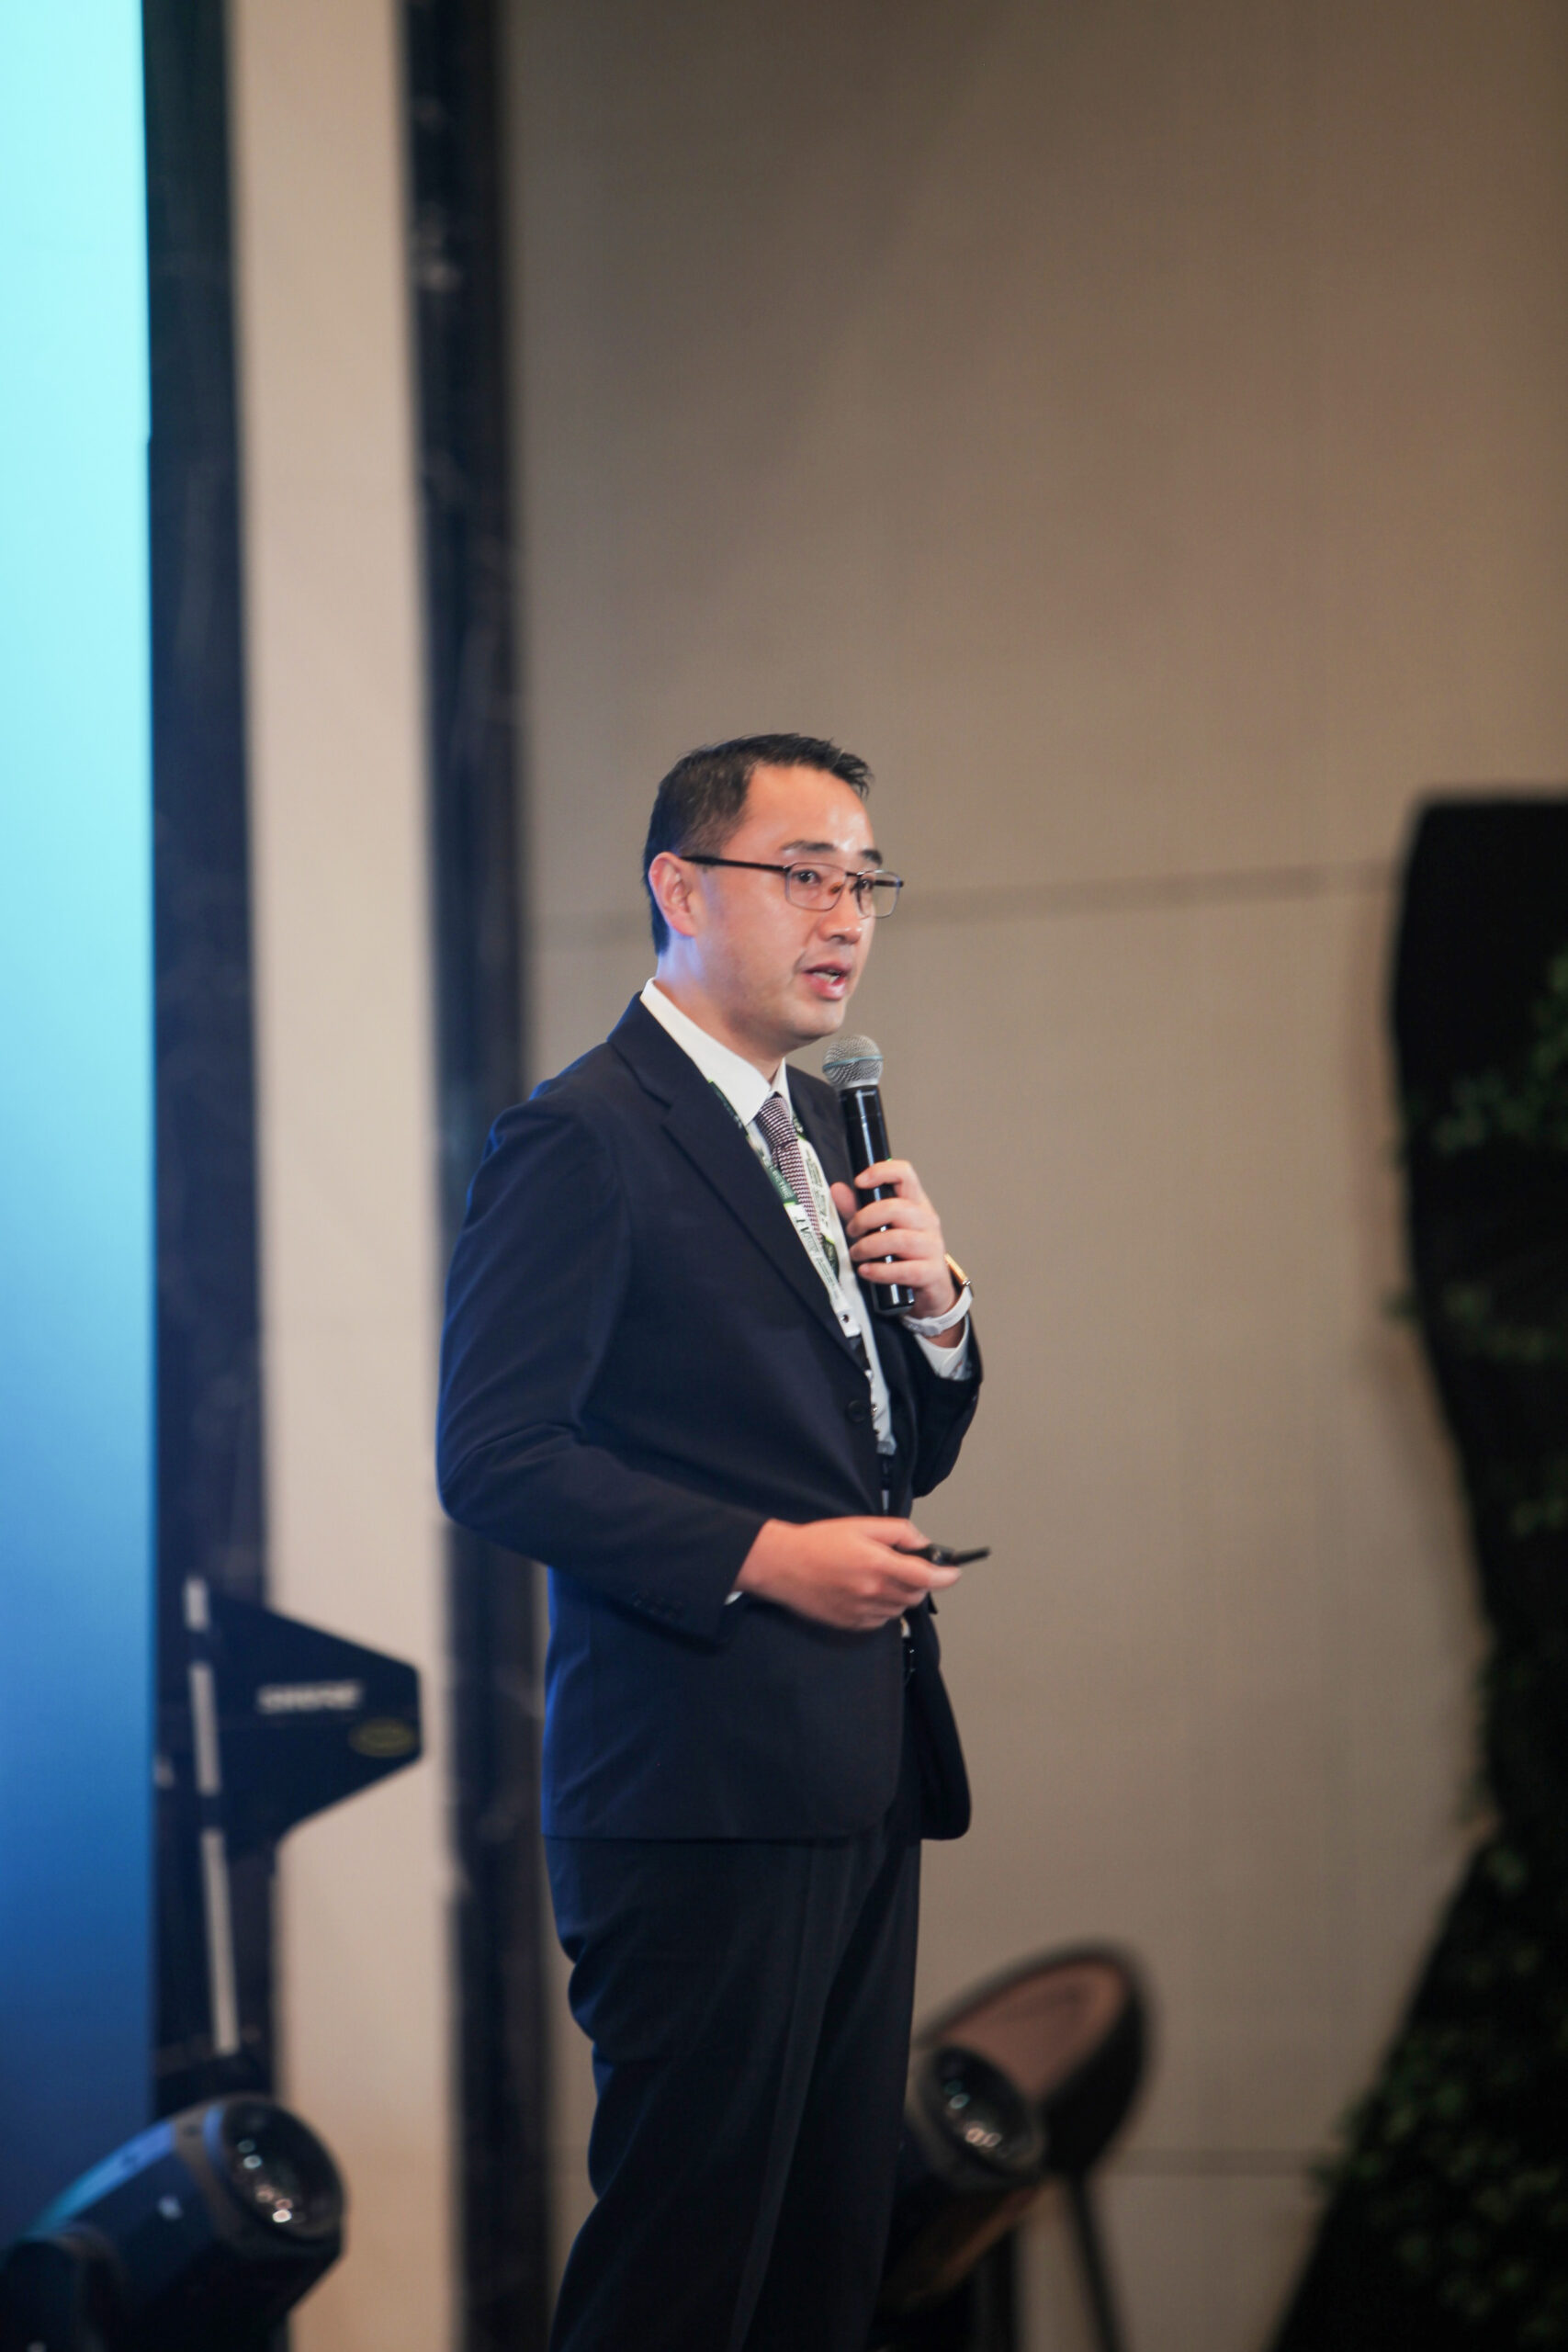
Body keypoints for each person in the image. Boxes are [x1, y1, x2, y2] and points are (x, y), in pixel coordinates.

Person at [437, 733, 982, 2351]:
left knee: (822, 2270)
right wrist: (766, 1554)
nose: (847, 915)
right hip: (697, 1792)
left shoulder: (820, 1126)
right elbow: (497, 1458)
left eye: (866, 881)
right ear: (679, 889)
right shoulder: (587, 1135)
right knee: (687, 2282)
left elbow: (890, 1449)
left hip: (856, 1770)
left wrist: (940, 1313)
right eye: (804, 875)